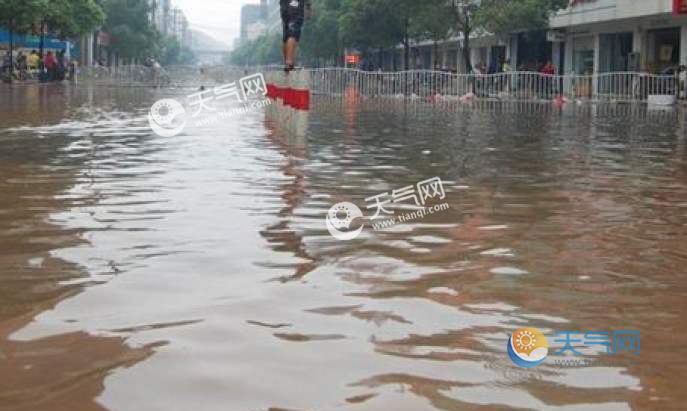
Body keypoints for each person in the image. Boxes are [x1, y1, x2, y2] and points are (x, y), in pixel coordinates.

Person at [280, 0, 312, 72]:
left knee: (286, 35)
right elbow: (308, 3)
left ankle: (287, 63)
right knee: (293, 33)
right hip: (295, 5)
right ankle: (289, 62)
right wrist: (309, 10)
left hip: (284, 6)